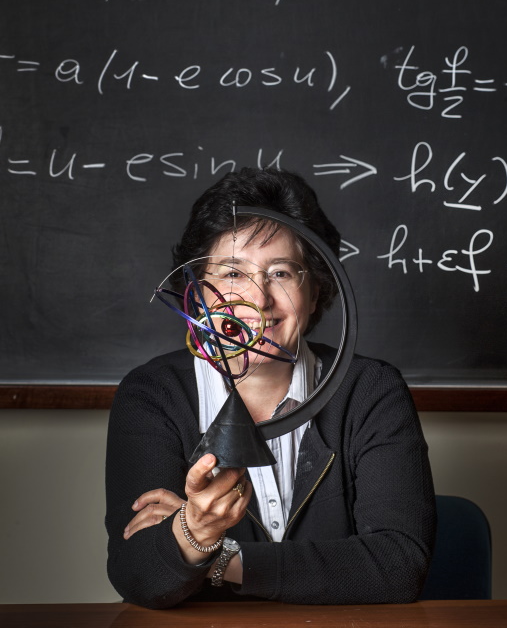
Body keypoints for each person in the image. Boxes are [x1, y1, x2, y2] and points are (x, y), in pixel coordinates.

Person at [105, 168, 435, 608]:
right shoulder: (152, 395)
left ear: (315, 293)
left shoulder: (370, 391)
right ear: (197, 290)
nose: (257, 299)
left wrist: (209, 549)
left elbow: (398, 568)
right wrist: (191, 536)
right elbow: (139, 574)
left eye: (281, 273)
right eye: (232, 273)